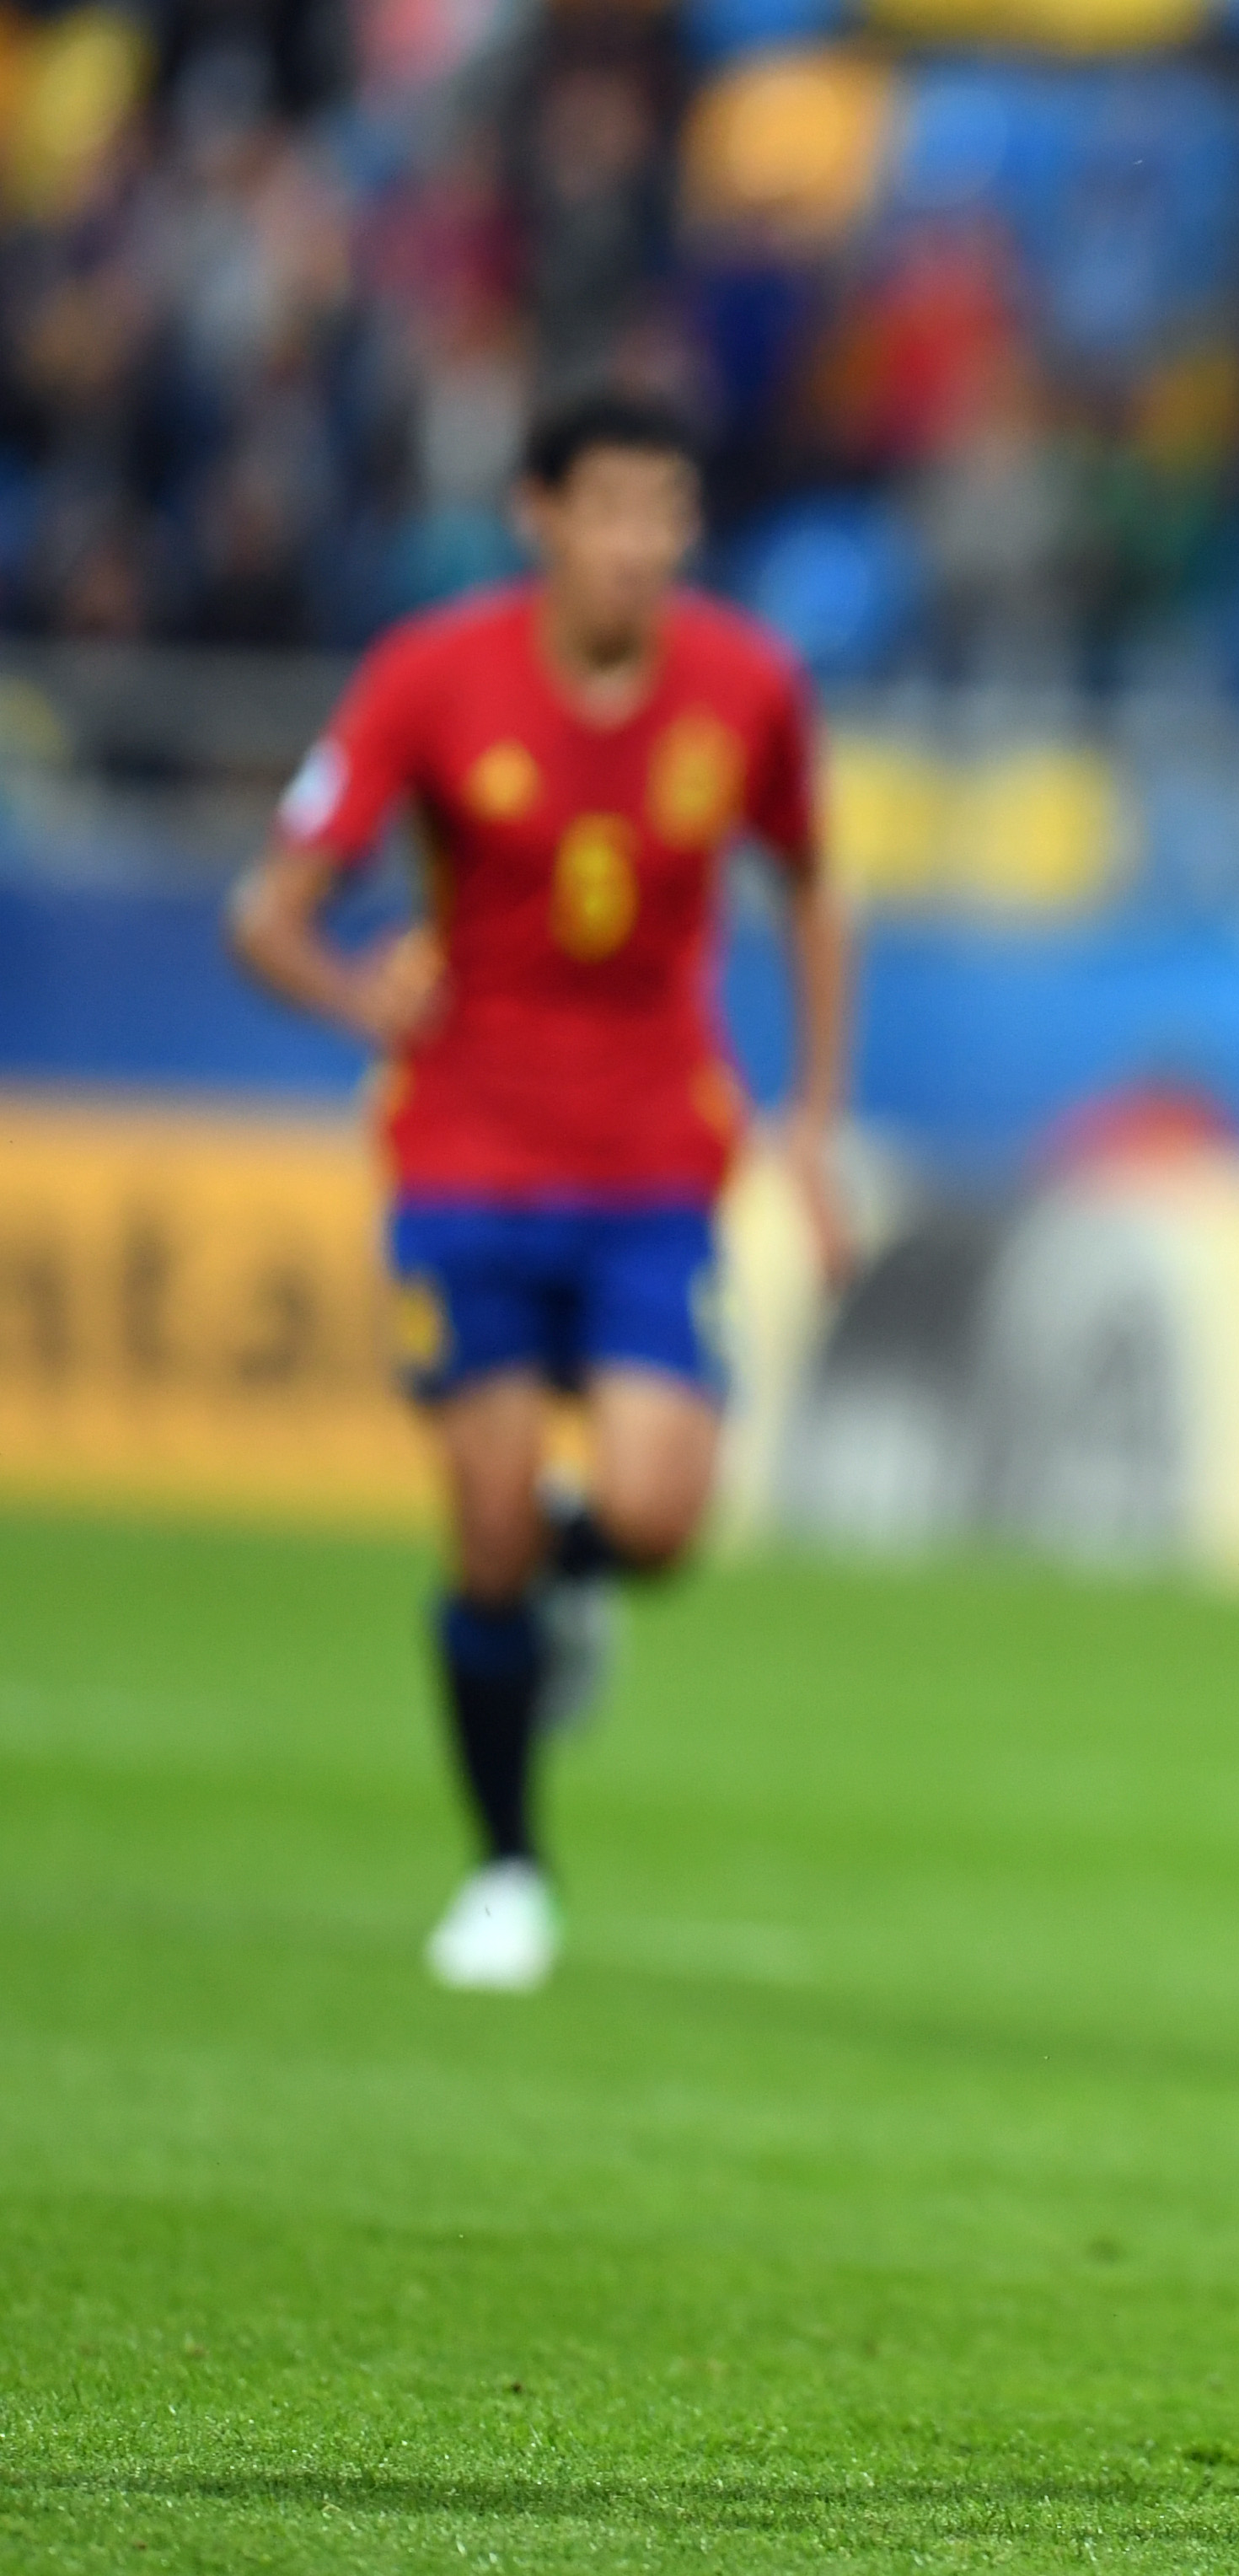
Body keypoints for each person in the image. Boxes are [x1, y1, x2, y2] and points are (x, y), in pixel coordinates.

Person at [226, 387, 850, 1995]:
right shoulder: (430, 678)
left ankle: (584, 1582)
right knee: (484, 1528)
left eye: (669, 512)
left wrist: (811, 1124)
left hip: (655, 1154)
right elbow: (271, 912)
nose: (643, 543)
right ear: (541, 515)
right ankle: (508, 1868)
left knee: (656, 1513)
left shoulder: (748, 685)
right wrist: (362, 999)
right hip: (466, 1156)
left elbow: (815, 888)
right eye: (613, 509)